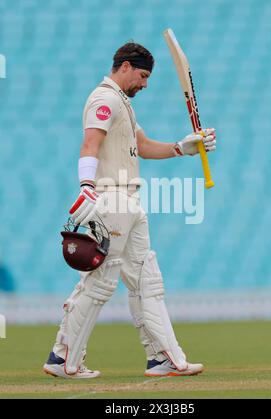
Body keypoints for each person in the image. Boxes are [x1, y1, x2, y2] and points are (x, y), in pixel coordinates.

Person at [43, 42, 216, 379]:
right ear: (124, 66)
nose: (145, 83)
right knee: (100, 283)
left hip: (130, 200)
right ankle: (63, 359)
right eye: (143, 75)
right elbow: (89, 144)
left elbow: (144, 147)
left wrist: (183, 148)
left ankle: (163, 358)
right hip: (111, 199)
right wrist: (86, 187)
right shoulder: (104, 99)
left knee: (147, 282)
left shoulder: (123, 102)